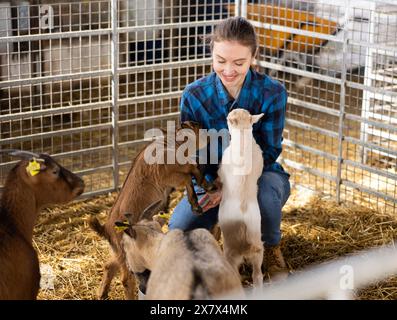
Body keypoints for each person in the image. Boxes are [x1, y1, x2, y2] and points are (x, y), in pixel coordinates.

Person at [168, 16, 291, 281]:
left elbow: (269, 151)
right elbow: (194, 155)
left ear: (253, 58)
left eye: (239, 63)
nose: (229, 70)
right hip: (210, 178)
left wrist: (233, 186)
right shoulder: (194, 95)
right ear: (211, 53)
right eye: (221, 61)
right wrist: (215, 185)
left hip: (257, 176)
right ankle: (213, 239)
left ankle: (269, 246)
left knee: (266, 200)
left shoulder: (273, 93)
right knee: (179, 228)